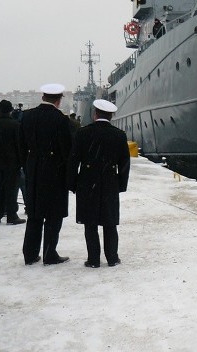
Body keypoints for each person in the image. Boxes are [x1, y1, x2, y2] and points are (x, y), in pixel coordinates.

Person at [67, 99, 130, 268]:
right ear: (110, 116)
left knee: (90, 222)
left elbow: (73, 161)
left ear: (95, 114)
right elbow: (124, 163)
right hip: (110, 181)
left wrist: (72, 184)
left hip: (87, 181)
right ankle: (112, 258)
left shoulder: (83, 133)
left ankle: (93, 259)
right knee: (110, 222)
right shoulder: (119, 135)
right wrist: (121, 185)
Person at [20, 84, 73, 266]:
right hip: (54, 171)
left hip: (33, 168)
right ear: (58, 100)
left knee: (34, 213)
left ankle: (30, 254)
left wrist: (28, 164)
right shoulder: (61, 120)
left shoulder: (27, 116)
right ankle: (50, 254)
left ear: (43, 97)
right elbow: (67, 150)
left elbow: (21, 146)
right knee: (53, 214)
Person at [0, 100, 26, 225]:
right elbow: (19, 145)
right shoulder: (15, 125)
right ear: (10, 110)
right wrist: (22, 162)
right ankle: (11, 216)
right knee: (11, 190)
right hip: (12, 163)